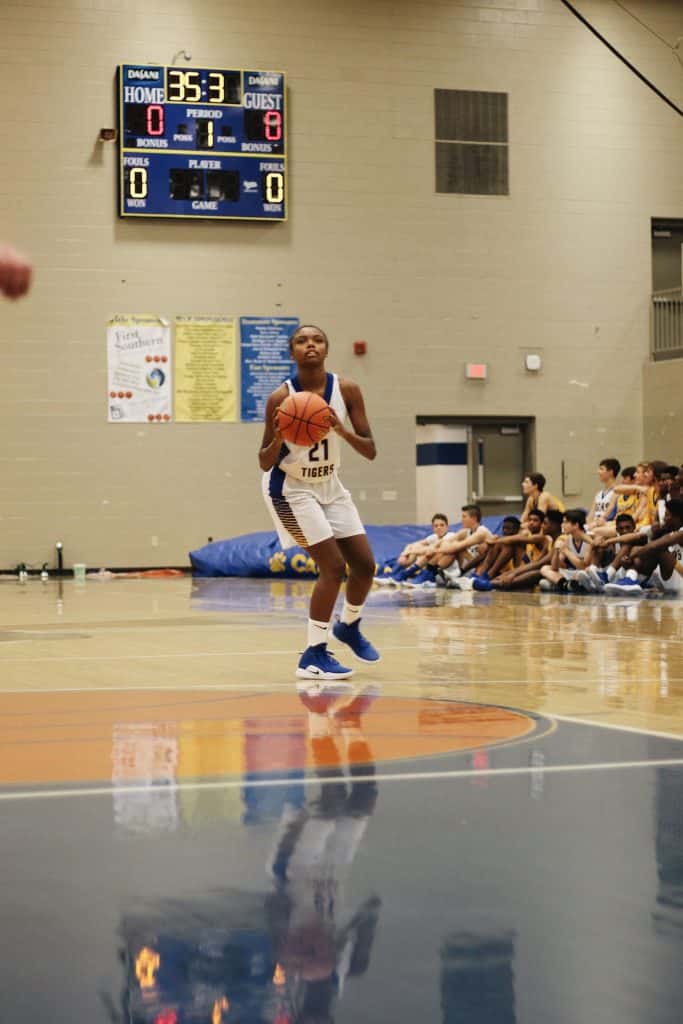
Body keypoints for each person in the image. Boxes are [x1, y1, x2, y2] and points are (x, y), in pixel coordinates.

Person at [259, 324, 379, 680]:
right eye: (301, 341)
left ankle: (349, 626)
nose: (310, 345)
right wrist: (279, 436)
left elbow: (370, 450)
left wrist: (340, 430)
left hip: (330, 484)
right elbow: (264, 461)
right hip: (290, 489)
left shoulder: (347, 390)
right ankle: (313, 654)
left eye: (317, 340)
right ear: (291, 351)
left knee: (365, 566)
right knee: (333, 567)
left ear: (326, 349)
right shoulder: (280, 398)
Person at [604, 499, 683, 596]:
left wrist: (631, 556)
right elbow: (638, 537)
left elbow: (656, 545)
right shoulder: (668, 530)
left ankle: (628, 578)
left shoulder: (681, 533)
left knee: (656, 548)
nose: (664, 518)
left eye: (667, 515)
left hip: (679, 578)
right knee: (643, 547)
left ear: (676, 518)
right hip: (669, 581)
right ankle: (631, 578)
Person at [404, 503, 493, 587]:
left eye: (464, 517)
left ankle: (426, 573)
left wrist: (435, 550)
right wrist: (432, 548)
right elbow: (445, 541)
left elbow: (458, 546)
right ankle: (426, 573)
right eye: (436, 526)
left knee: (453, 549)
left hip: (479, 569)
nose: (461, 520)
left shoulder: (481, 532)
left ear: (473, 518)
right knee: (446, 548)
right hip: (465, 566)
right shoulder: (465, 531)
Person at [375, 512, 452, 585]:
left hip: (442, 572)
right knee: (416, 547)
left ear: (447, 527)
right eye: (436, 526)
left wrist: (410, 552)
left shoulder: (450, 536)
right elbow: (412, 545)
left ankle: (400, 574)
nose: (439, 528)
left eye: (442, 525)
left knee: (428, 552)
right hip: (428, 567)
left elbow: (431, 549)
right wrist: (404, 554)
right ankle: (395, 574)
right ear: (433, 528)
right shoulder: (433, 537)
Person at [539, 509, 592, 591]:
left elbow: (583, 567)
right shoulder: (567, 539)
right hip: (572, 572)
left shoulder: (589, 540)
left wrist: (565, 551)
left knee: (582, 573)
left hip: (585, 573)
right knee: (545, 569)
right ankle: (565, 584)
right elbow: (555, 567)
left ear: (576, 525)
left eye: (565, 522)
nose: (562, 525)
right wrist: (556, 551)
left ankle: (562, 585)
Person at [585, 458, 620, 530]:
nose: (598, 472)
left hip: (606, 525)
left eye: (601, 469)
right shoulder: (598, 494)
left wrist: (596, 524)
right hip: (594, 525)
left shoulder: (617, 491)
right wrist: (586, 525)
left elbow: (609, 513)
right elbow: (591, 514)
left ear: (610, 472)